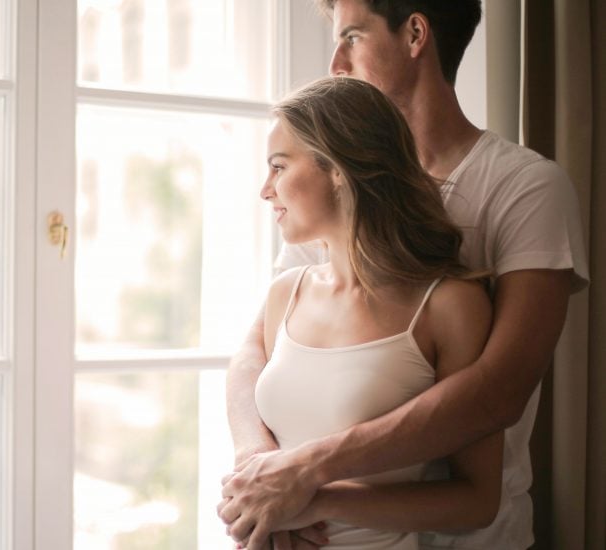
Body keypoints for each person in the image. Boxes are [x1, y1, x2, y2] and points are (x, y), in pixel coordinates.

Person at [218, 1, 589, 549]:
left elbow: (499, 391)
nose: (335, 62)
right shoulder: (327, 212)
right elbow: (256, 354)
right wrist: (262, 473)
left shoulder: (524, 188)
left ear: (416, 33)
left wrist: (306, 477)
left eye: (351, 37)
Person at [222, 75, 504, 550]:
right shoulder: (285, 293)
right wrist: (256, 479)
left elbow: (477, 499)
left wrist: (316, 500)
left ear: (336, 169)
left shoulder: (448, 306)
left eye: (279, 167)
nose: (265, 190)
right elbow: (244, 373)